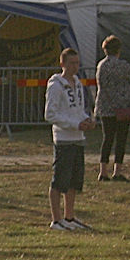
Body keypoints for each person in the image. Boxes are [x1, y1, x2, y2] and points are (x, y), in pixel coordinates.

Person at [44, 48, 94, 231]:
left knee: (74, 180)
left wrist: (86, 120)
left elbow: (78, 109)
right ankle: (56, 220)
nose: (75, 67)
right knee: (60, 179)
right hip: (64, 138)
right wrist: (74, 124)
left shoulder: (78, 83)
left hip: (78, 138)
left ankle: (70, 216)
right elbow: (50, 114)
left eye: (77, 63)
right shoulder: (56, 85)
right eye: (71, 63)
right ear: (62, 63)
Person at [93, 35, 130, 181]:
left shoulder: (101, 65)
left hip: (105, 106)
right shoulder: (123, 65)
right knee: (121, 139)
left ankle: (103, 171)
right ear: (118, 49)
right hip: (122, 107)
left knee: (107, 138)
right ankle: (117, 171)